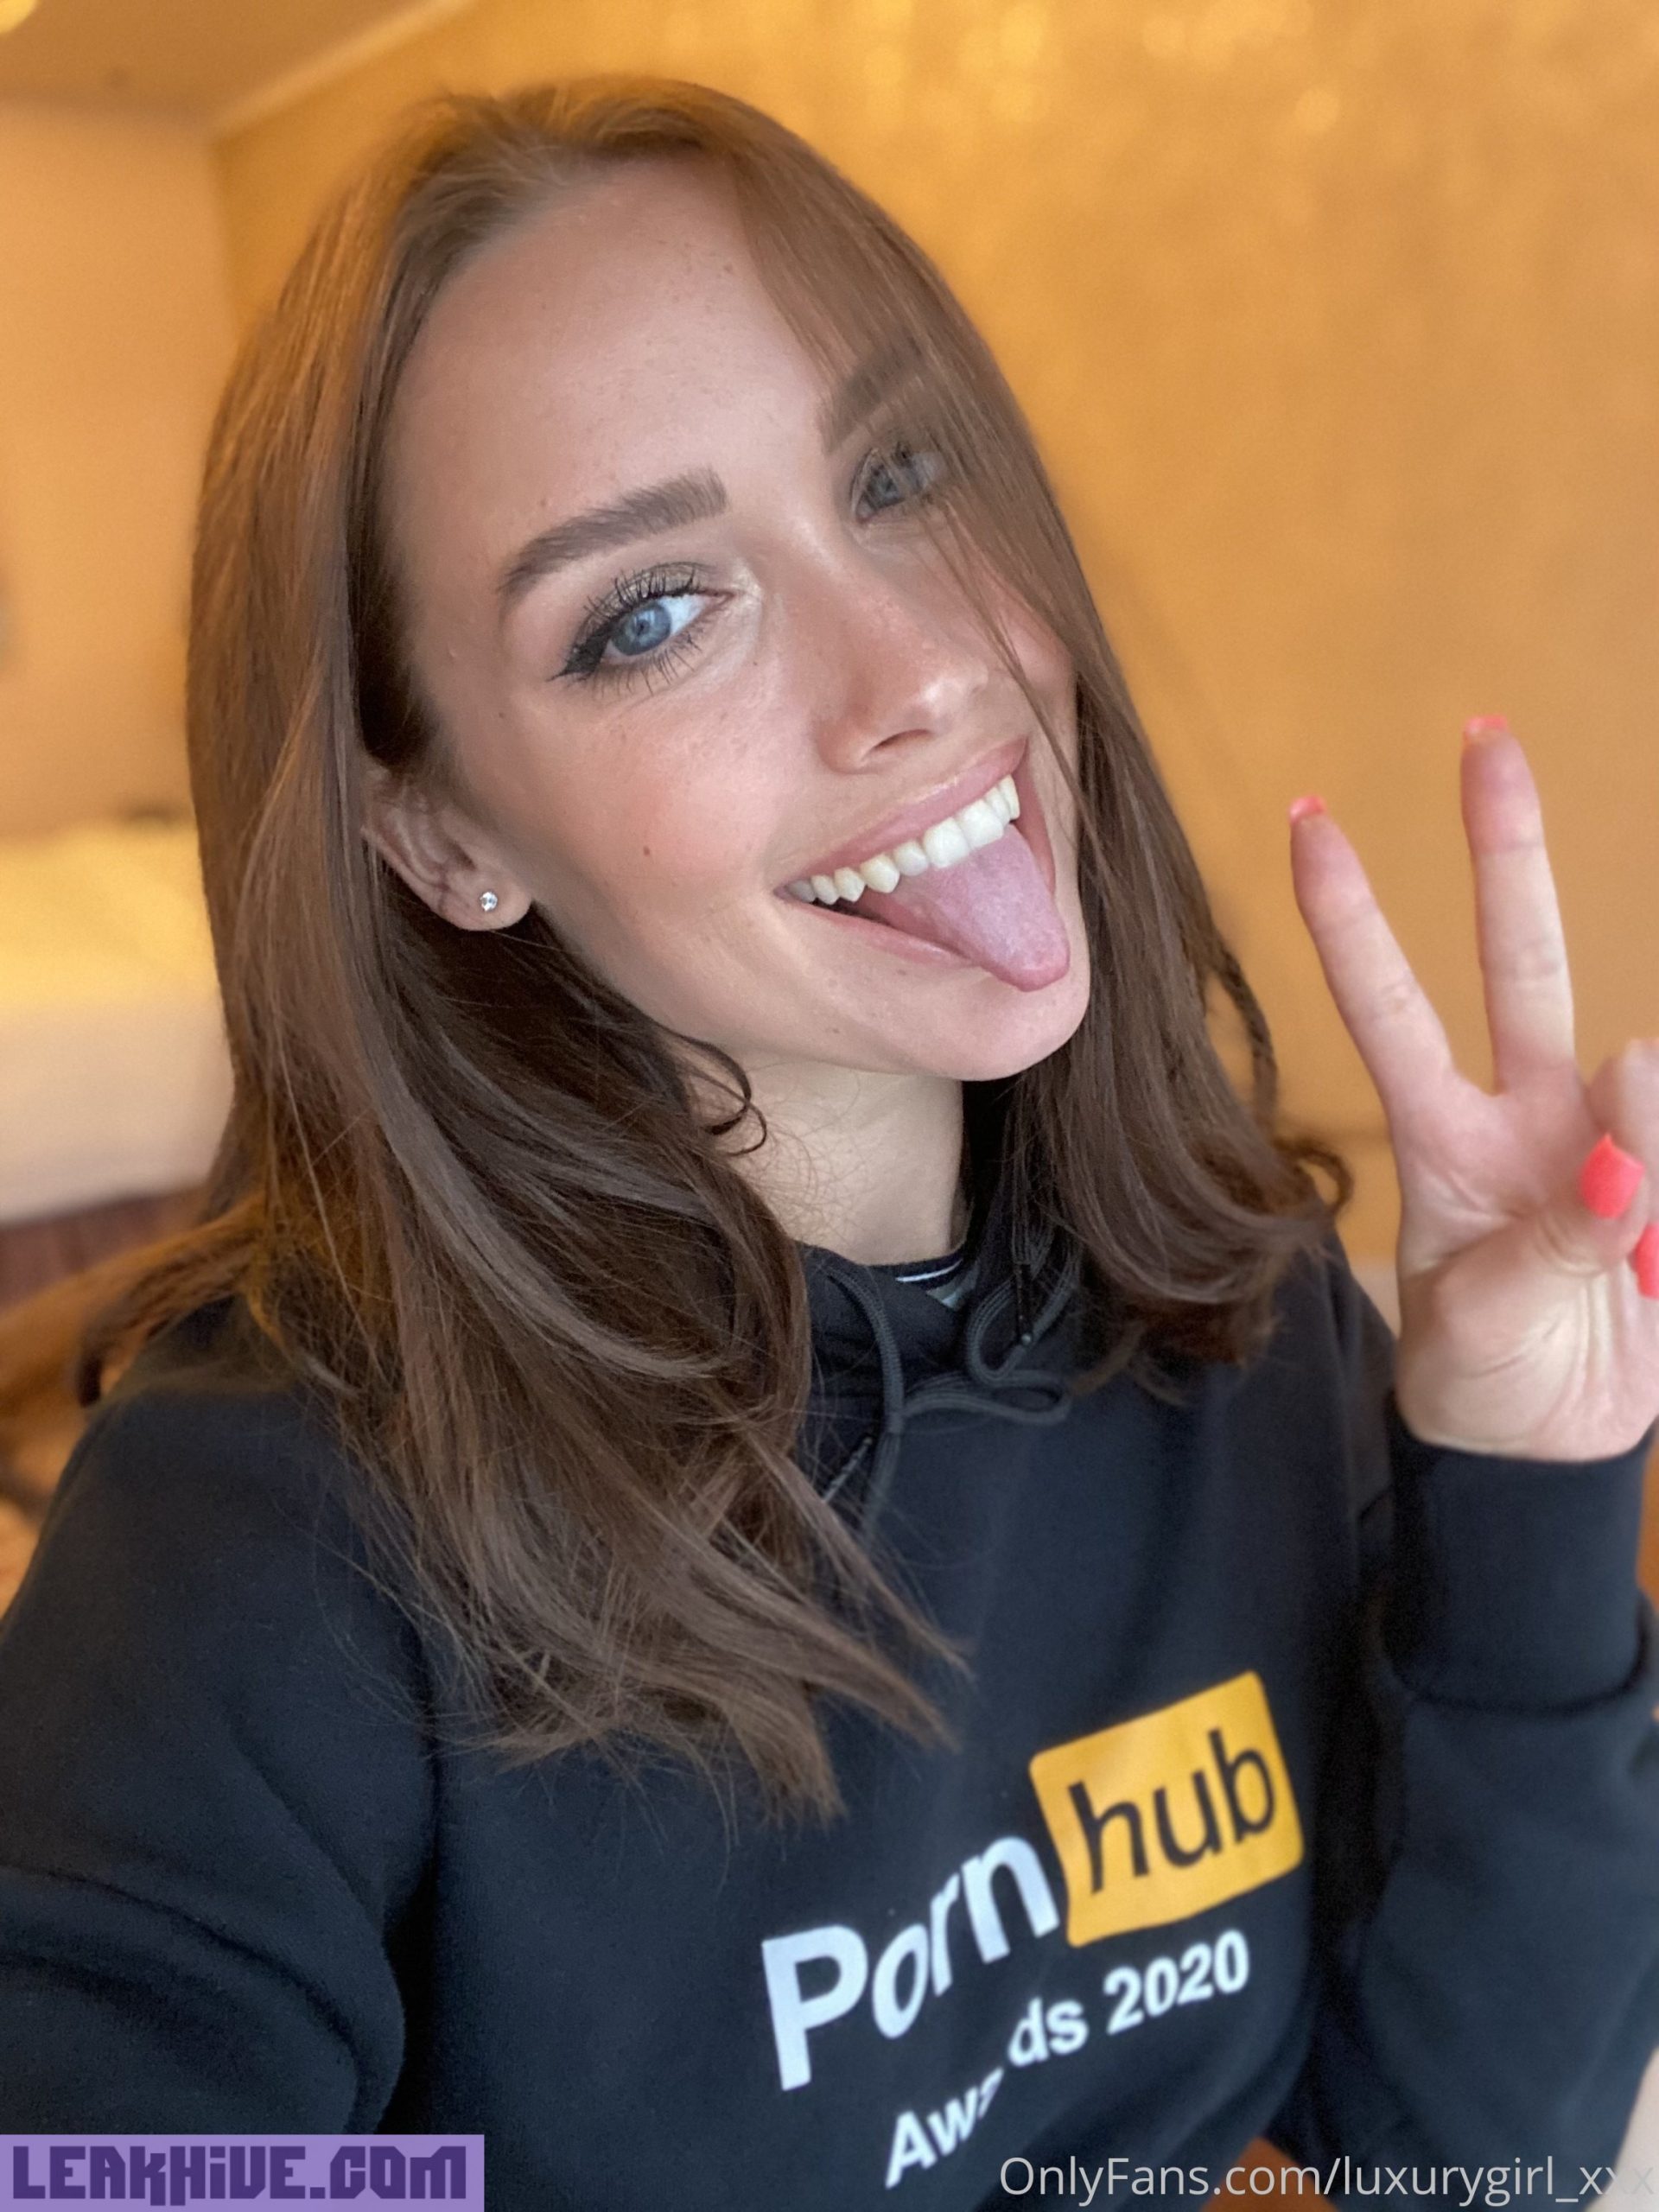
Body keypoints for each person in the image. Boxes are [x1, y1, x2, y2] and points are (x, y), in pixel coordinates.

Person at [0, 76, 1655, 2209]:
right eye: (652, 612)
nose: (922, 670)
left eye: (898, 472)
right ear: (439, 834)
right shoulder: (267, 1525)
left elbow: (1466, 2156)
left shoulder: (1240, 1311)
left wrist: (1525, 1475)